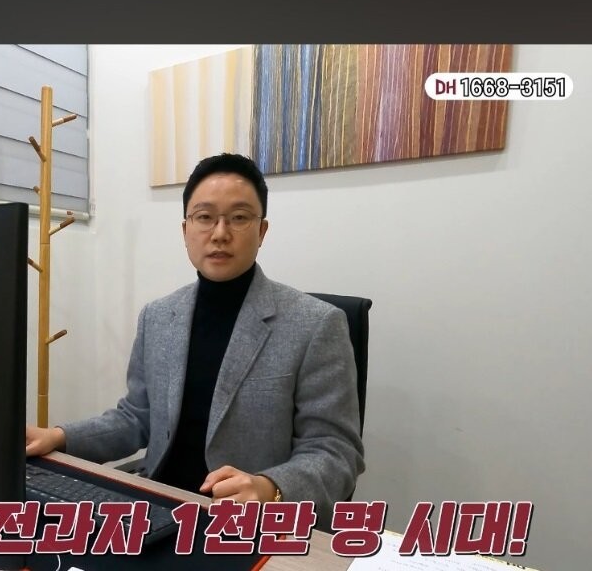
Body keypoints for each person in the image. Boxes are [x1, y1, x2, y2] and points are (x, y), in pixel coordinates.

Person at [27, 153, 364, 518]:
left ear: (262, 231)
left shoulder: (316, 324)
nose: (220, 233)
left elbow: (336, 452)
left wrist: (270, 487)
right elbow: (136, 418)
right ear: (185, 230)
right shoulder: (158, 317)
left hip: (243, 522)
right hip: (157, 508)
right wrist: (59, 437)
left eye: (239, 218)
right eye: (204, 217)